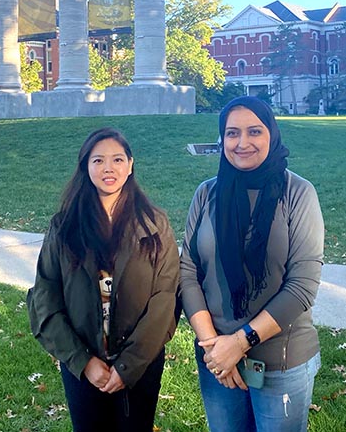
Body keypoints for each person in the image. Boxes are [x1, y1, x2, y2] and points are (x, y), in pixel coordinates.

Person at [180, 96, 324, 432]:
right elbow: (188, 272)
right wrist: (215, 348)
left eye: (254, 131)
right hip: (216, 360)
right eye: (232, 133)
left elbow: (302, 286)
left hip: (280, 361)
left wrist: (240, 342)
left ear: (271, 134)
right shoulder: (206, 193)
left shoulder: (298, 193)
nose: (242, 143)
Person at [29, 128, 180, 432]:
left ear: (131, 164)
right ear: (86, 167)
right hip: (83, 366)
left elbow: (166, 298)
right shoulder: (64, 226)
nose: (108, 168)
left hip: (140, 365)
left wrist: (127, 366)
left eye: (117, 159)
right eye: (98, 160)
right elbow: (45, 296)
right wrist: (83, 361)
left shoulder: (154, 224)